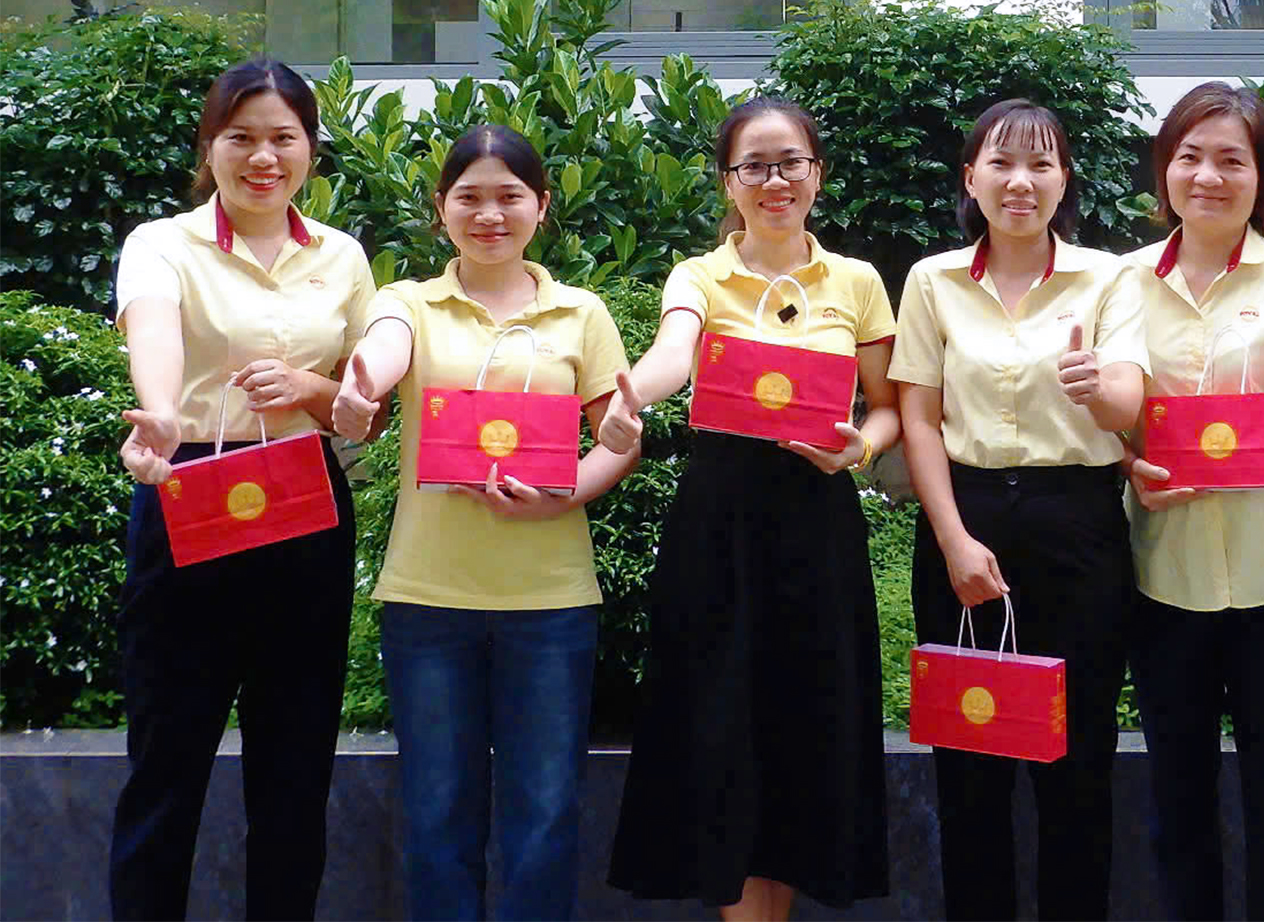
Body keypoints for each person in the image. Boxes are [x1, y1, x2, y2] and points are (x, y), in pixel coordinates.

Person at [330, 123, 638, 920]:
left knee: (545, 814)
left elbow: (616, 437)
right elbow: (387, 346)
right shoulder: (408, 302)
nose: (490, 214)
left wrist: (574, 485)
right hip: (429, 599)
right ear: (440, 208)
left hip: (551, 601)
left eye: (510, 197)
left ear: (542, 206)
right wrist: (364, 383)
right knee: (437, 814)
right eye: (469, 197)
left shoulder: (582, 312)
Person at [603, 96, 897, 921]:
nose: (775, 181)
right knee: (721, 727)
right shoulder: (700, 275)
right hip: (720, 527)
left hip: (818, 522)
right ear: (728, 182)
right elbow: (674, 350)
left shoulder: (857, 282)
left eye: (790, 162)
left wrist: (859, 449)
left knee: (805, 728)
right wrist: (632, 395)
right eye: (754, 166)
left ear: (818, 174)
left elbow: (888, 406)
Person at [110, 57, 375, 920]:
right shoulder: (162, 244)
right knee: (167, 761)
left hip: (304, 502)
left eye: (283, 138)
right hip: (190, 487)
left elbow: (365, 406)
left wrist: (312, 389)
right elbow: (154, 329)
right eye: (242, 138)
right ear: (210, 146)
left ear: (310, 149)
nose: (264, 157)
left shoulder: (342, 256)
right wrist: (158, 414)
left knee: (295, 768)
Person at [890, 98, 1149, 922]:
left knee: (1078, 766)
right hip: (963, 523)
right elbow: (919, 419)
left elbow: (1129, 401)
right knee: (970, 770)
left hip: (1077, 529)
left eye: (1041, 164)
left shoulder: (1109, 278)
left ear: (1065, 179)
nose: (1020, 182)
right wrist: (953, 540)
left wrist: (1095, 387)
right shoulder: (932, 281)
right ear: (971, 177)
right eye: (1001, 163)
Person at [1118, 83, 1264, 921]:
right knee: (1176, 795)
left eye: (1231, 160)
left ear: (1262, 177)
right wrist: (1126, 461)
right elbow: (1107, 416)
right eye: (1190, 156)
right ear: (1164, 169)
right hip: (1164, 567)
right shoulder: (1121, 282)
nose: (1208, 176)